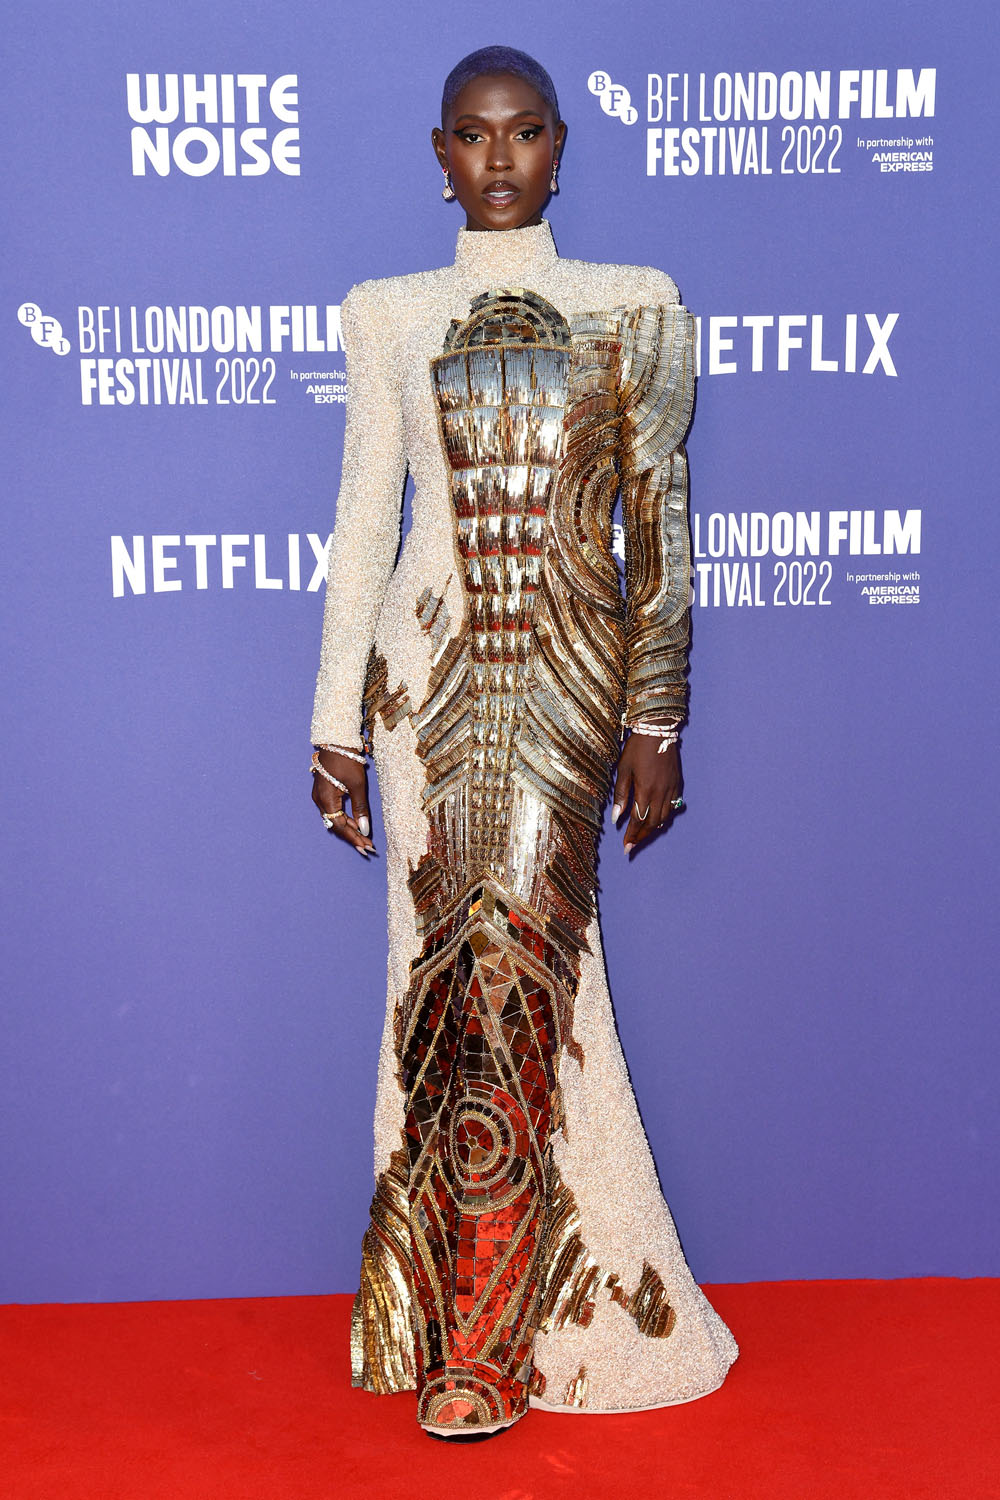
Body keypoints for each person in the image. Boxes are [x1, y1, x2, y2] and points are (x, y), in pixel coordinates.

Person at [309, 45, 739, 1441]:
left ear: (560, 147)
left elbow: (658, 531)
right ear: (440, 157)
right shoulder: (386, 312)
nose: (499, 158)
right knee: (441, 982)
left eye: (525, 132)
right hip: (421, 687)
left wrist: (657, 717)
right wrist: (331, 725)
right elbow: (362, 526)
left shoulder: (636, 303)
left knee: (529, 977)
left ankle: (531, 1323)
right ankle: (459, 1332)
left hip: (564, 686)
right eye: (472, 135)